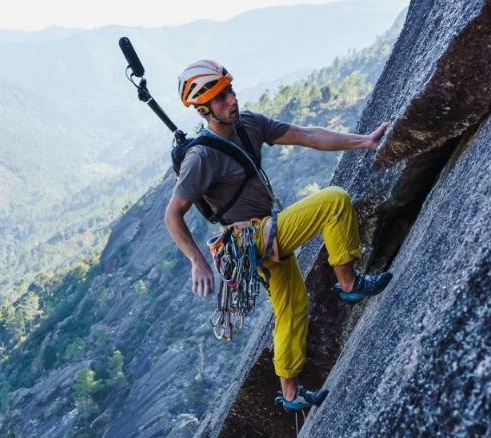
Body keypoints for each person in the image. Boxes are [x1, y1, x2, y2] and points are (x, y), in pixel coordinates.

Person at [163, 59, 392, 410]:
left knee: (292, 307)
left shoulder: (249, 124)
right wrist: (197, 261)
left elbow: (307, 135)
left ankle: (290, 395)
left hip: (264, 233)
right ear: (204, 109)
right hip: (249, 240)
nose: (232, 101)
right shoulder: (201, 158)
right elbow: (172, 215)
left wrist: (362, 142)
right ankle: (349, 285)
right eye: (221, 99)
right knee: (333, 202)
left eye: (231, 92)